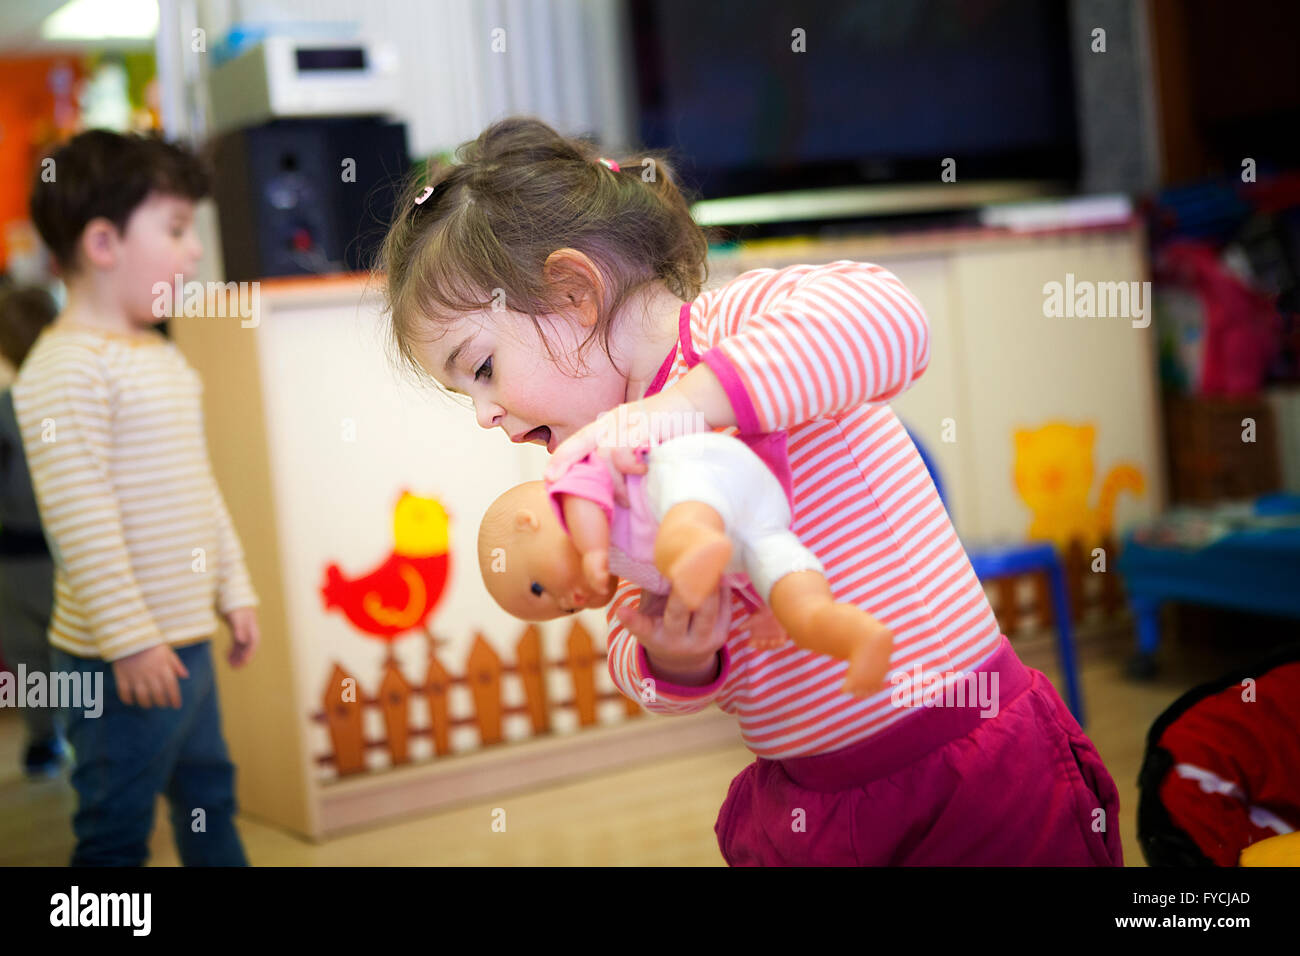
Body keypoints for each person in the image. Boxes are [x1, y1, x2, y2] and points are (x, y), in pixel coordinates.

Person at [380, 116, 1123, 865]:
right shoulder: (596, 472)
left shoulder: (737, 326)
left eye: (480, 369)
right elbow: (625, 628)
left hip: (969, 763)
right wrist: (673, 657)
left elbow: (893, 322)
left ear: (575, 292)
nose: (484, 414)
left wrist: (678, 409)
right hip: (820, 805)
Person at [13, 129, 261, 866]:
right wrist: (130, 641)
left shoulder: (159, 354)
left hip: (184, 641)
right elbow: (80, 523)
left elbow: (196, 485)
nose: (192, 251)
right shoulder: (64, 369)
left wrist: (234, 584)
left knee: (210, 796)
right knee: (115, 828)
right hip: (116, 658)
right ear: (102, 242)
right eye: (177, 229)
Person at [0, 281, 66, 777]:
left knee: (29, 657)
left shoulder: (10, 405)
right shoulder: (61, 401)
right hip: (56, 552)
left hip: (15, 559)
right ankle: (76, 736)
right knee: (69, 650)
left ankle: (44, 741)